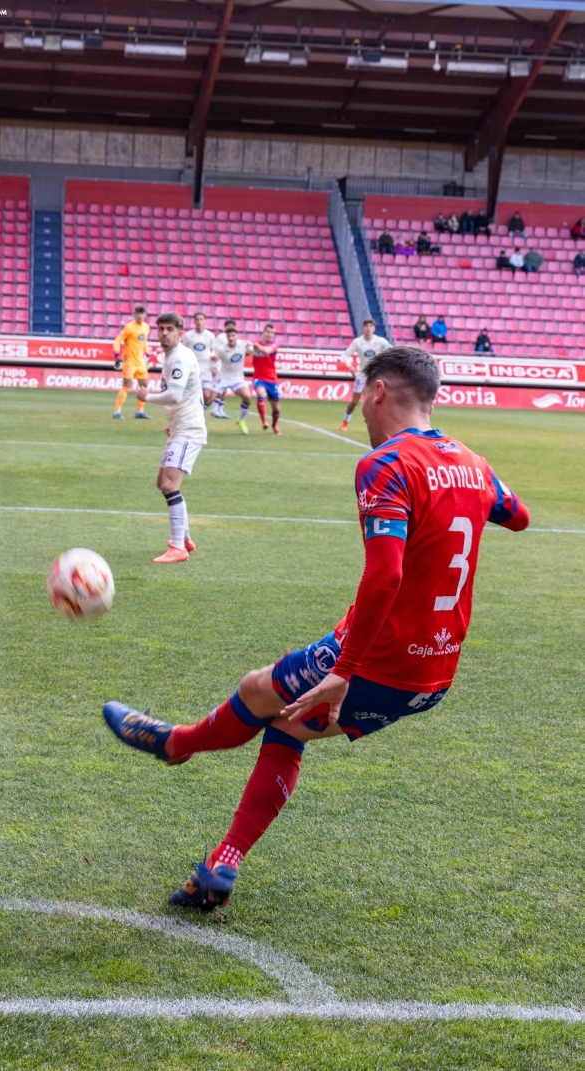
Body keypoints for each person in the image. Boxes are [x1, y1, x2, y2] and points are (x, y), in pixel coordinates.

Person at [103, 346, 530, 911]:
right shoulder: (475, 465)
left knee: (259, 690)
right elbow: (517, 515)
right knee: (290, 729)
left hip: (376, 658)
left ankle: (177, 744)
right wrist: (469, 486)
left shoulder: (387, 463)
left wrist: (344, 671)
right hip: (433, 676)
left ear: (378, 392)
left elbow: (386, 575)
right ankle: (221, 864)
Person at [135, 312, 207, 564]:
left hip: (189, 431)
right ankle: (185, 537)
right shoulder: (171, 357)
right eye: (161, 329)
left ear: (180, 332)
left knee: (169, 485)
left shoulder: (180, 358)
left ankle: (178, 547)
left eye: (169, 329)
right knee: (161, 483)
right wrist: (171, 423)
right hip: (180, 428)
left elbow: (175, 396)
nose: (164, 333)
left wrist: (147, 397)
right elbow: (187, 395)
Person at [340, 317, 391, 431]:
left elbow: (391, 351)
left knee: (379, 400)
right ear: (363, 328)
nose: (368, 328)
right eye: (366, 326)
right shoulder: (358, 342)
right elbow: (345, 355)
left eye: (370, 326)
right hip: (362, 374)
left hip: (376, 374)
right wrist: (350, 366)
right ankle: (345, 421)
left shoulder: (380, 341)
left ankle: (380, 424)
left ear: (374, 328)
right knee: (354, 401)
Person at [210, 325, 254, 435]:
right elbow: (216, 359)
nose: (231, 338)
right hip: (223, 377)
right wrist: (213, 365)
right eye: (228, 336)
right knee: (209, 400)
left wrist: (251, 345)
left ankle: (240, 419)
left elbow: (252, 352)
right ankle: (195, 422)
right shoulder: (222, 349)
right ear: (226, 337)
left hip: (238, 378)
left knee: (247, 397)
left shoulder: (243, 345)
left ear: (236, 336)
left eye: (233, 335)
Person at [112, 304, 152, 420]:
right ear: (134, 314)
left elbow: (144, 342)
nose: (140, 316)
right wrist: (117, 356)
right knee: (126, 385)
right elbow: (117, 341)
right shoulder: (129, 327)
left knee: (144, 386)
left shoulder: (146, 327)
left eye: (142, 313)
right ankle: (117, 412)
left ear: (145, 315)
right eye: (138, 313)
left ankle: (140, 411)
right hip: (129, 362)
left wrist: (148, 355)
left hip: (140, 362)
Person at [251, 322, 282, 435]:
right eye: (268, 332)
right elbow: (247, 351)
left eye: (272, 332)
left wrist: (256, 346)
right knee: (260, 393)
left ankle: (274, 425)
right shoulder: (255, 345)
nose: (270, 334)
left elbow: (267, 351)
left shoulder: (274, 345)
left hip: (271, 379)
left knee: (276, 407)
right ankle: (264, 421)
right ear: (263, 332)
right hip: (258, 377)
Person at [182, 311, 216, 409]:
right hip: (192, 369)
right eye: (197, 319)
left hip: (206, 369)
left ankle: (200, 415)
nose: (199, 321)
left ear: (205, 321)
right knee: (190, 396)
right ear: (194, 321)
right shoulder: (188, 336)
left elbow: (213, 351)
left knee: (207, 396)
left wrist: (214, 366)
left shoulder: (210, 336)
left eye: (201, 319)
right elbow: (184, 351)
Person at [210, 319, 237, 419]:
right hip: (220, 365)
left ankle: (219, 409)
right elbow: (215, 351)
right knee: (219, 387)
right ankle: (215, 409)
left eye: (232, 326)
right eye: (229, 326)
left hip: (228, 366)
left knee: (224, 389)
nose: (231, 328)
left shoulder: (234, 338)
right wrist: (214, 366)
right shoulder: (221, 338)